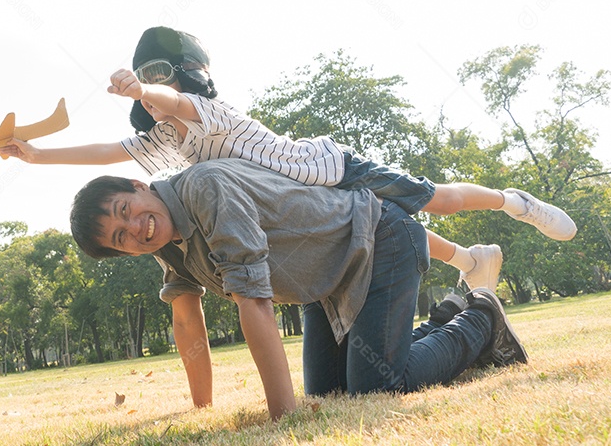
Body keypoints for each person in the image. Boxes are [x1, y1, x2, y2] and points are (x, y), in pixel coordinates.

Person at [0, 26, 576, 290]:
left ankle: (515, 202)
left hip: (329, 170)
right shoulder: (165, 146)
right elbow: (106, 152)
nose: (154, 96)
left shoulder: (204, 113)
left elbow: (173, 99)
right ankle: (471, 263)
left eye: (158, 80)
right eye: (146, 88)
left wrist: (141, 90)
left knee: (438, 202)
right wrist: (36, 155)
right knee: (384, 230)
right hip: (312, 209)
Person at [68, 159, 528, 420]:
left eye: (126, 210)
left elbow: (255, 300)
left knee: (379, 388)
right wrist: (201, 409)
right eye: (120, 238)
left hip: (378, 241)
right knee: (330, 395)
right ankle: (444, 321)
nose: (135, 228)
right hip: (325, 286)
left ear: (137, 185)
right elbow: (187, 319)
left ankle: (482, 318)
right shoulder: (167, 244)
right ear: (123, 253)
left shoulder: (203, 189)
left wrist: (282, 419)